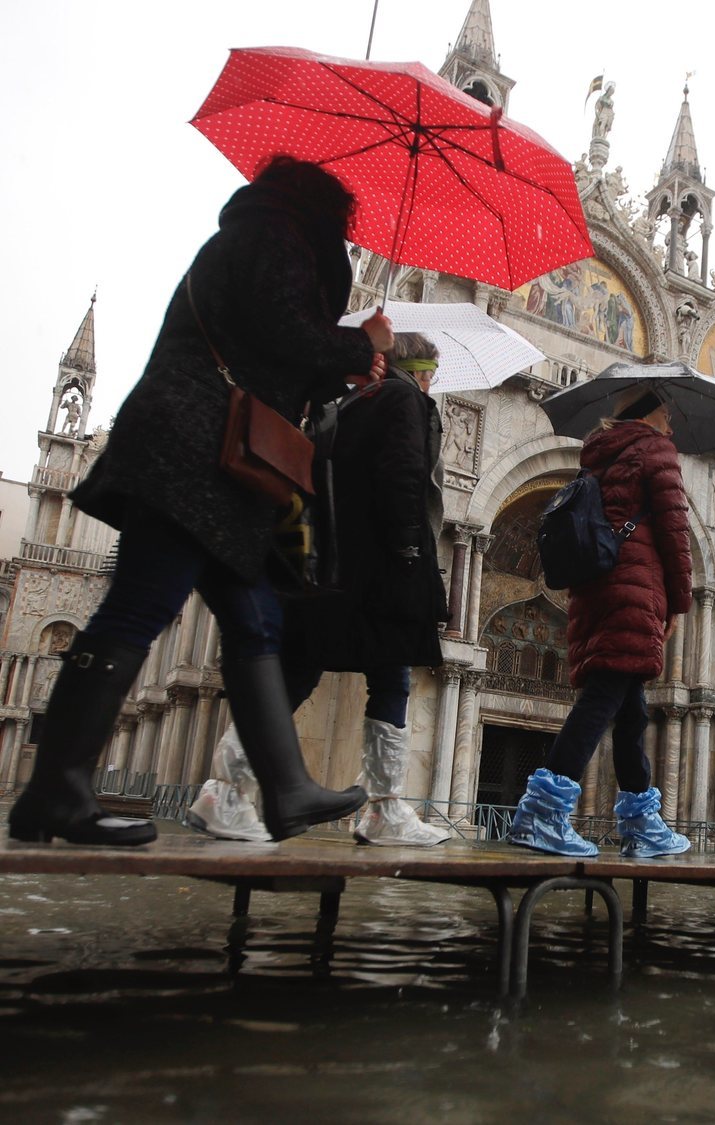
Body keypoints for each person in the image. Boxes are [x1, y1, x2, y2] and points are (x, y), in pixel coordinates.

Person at [8, 156, 392, 847]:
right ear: (321, 209)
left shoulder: (258, 233)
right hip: (196, 452)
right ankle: (57, 789)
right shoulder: (274, 236)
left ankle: (285, 787)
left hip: (213, 458)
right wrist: (358, 343)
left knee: (256, 619)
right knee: (142, 605)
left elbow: (272, 356)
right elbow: (286, 333)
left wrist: (349, 362)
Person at [188, 332, 452, 847]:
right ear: (418, 370)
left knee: (297, 672)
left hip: (331, 565)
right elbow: (404, 478)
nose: (431, 382)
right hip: (383, 565)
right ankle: (384, 810)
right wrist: (409, 552)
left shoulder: (345, 405)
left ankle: (224, 791)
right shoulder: (403, 399)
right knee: (393, 676)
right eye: (431, 372)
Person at [510, 387, 694, 858]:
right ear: (649, 414)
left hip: (597, 584)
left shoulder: (597, 456)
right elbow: (674, 531)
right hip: (634, 586)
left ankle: (641, 824)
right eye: (666, 413)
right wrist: (678, 600)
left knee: (630, 713)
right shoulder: (657, 450)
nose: (670, 424)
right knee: (603, 699)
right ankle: (542, 814)